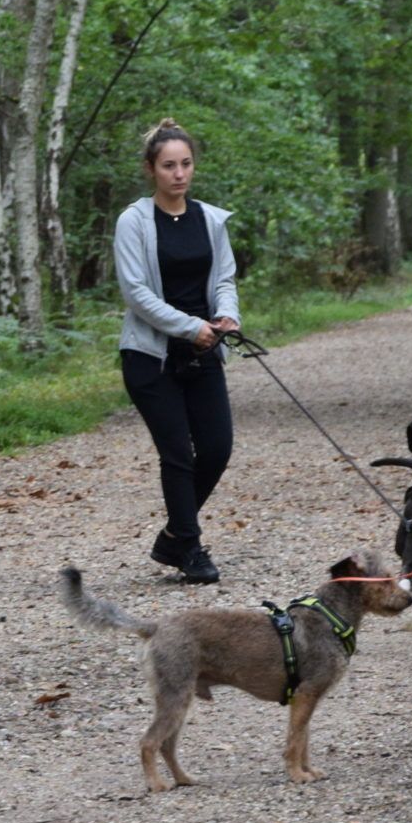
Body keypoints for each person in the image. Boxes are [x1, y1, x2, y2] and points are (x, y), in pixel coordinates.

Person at [112, 120, 241, 585]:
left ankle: (171, 538)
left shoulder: (211, 219)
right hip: (151, 358)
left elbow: (224, 279)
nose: (179, 174)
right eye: (168, 166)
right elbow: (136, 293)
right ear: (151, 169)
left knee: (217, 448)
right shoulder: (133, 221)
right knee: (178, 454)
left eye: (185, 164)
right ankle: (189, 547)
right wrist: (190, 328)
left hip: (204, 351)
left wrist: (226, 317)